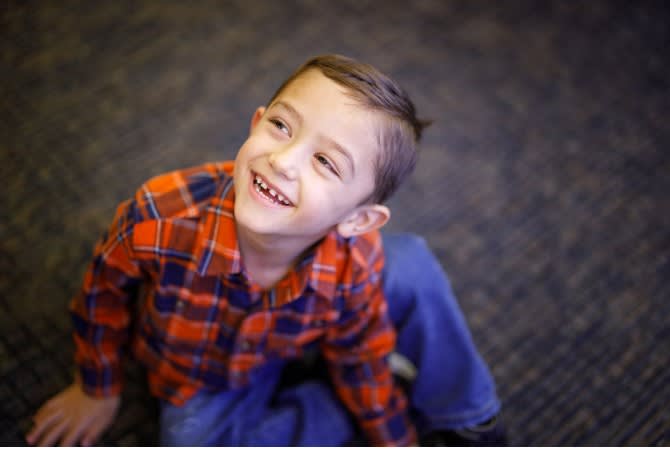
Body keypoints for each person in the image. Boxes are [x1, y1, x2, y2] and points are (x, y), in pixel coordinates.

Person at [26, 54, 502, 446]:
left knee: (410, 265)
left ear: (357, 220)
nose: (283, 160)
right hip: (205, 377)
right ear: (255, 123)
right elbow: (100, 297)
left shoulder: (357, 261)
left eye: (324, 162)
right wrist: (97, 387)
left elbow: (358, 351)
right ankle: (363, 395)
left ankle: (466, 415)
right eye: (280, 126)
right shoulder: (157, 215)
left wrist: (394, 440)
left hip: (308, 337)